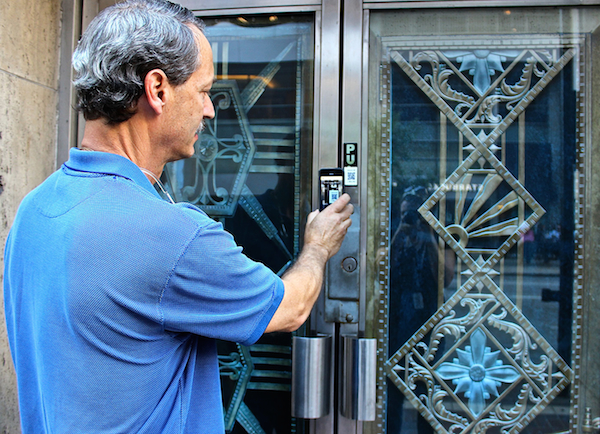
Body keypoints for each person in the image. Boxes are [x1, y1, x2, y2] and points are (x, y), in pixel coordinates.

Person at [2, 1, 353, 433]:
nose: (209, 109)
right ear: (158, 89)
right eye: (203, 91)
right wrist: (318, 247)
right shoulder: (173, 237)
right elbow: (291, 307)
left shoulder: (33, 211)